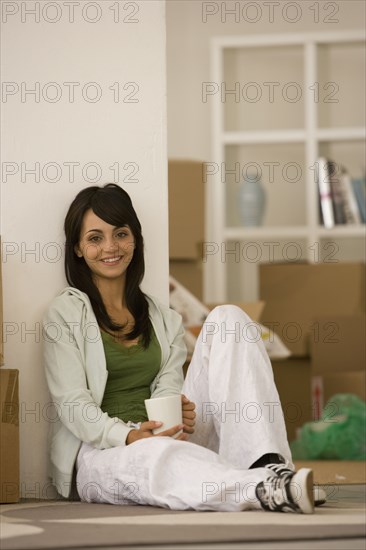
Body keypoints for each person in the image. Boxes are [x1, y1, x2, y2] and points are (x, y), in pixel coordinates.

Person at [43, 183, 316, 514]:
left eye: (121, 234)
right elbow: (73, 405)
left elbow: (167, 388)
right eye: (95, 238)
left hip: (166, 436)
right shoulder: (65, 314)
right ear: (77, 249)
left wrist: (178, 412)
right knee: (155, 456)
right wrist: (130, 437)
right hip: (104, 452)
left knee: (228, 318)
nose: (111, 247)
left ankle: (270, 465)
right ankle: (260, 489)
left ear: (135, 239)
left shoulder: (163, 317)